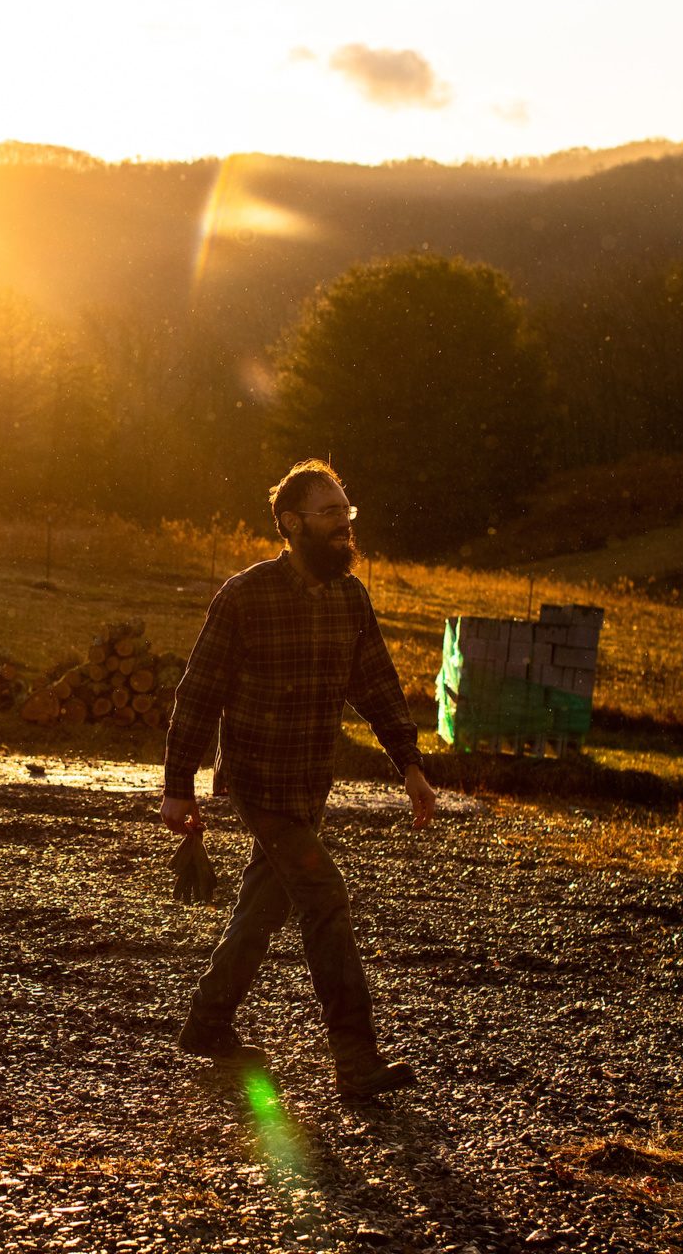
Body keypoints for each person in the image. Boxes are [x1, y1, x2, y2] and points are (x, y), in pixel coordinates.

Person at [161, 458, 437, 1098]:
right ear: (291, 524)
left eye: (349, 515)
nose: (345, 529)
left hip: (312, 783)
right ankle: (356, 1059)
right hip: (259, 784)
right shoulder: (244, 597)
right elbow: (199, 695)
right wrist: (179, 784)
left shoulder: (350, 597)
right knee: (325, 900)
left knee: (263, 907)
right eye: (331, 516)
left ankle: (206, 1023)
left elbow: (377, 686)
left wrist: (410, 766)